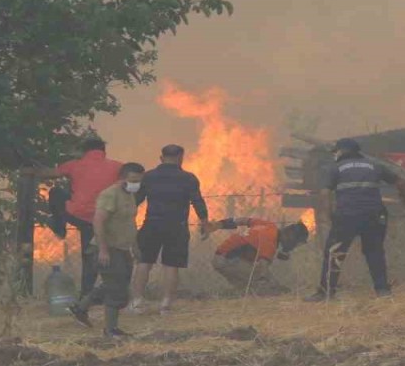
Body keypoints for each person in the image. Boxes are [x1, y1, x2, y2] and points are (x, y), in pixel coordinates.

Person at [306, 138, 405, 301]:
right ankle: (382, 290)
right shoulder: (375, 165)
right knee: (374, 251)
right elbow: (401, 182)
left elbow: (325, 193)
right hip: (374, 215)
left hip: (346, 216)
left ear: (342, 151)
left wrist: (327, 215)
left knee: (334, 252)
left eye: (336, 151)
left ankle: (326, 292)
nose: (335, 154)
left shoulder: (335, 168)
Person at [31, 137, 122, 298]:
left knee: (56, 192)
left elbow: (48, 174)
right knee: (94, 256)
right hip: (104, 218)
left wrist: (32, 165)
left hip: (78, 215)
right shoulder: (118, 166)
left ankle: (59, 227)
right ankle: (90, 294)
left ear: (84, 151)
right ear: (103, 151)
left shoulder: (74, 164)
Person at [131, 145, 211, 314]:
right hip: (177, 226)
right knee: (171, 265)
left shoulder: (148, 177)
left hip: (152, 224)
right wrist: (204, 223)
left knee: (144, 262)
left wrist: (127, 220)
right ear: (181, 157)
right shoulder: (188, 178)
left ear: (162, 158)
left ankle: (137, 302)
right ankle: (165, 304)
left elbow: (135, 201)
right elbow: (198, 202)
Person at [68, 163, 146, 338]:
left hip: (123, 248)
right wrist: (103, 250)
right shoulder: (110, 195)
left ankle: (80, 308)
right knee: (116, 290)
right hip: (108, 248)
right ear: (122, 178)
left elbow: (129, 223)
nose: (136, 184)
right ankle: (110, 329)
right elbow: (98, 222)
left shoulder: (130, 196)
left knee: (116, 283)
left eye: (139, 181)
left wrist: (135, 247)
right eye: (133, 180)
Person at [211, 218, 310, 295]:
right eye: (296, 243)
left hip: (224, 256)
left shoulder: (269, 225)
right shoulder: (270, 243)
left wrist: (220, 224)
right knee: (264, 288)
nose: (294, 247)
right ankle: (221, 296)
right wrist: (274, 287)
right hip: (227, 260)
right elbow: (262, 270)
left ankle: (226, 296)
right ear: (290, 237)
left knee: (246, 289)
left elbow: (242, 220)